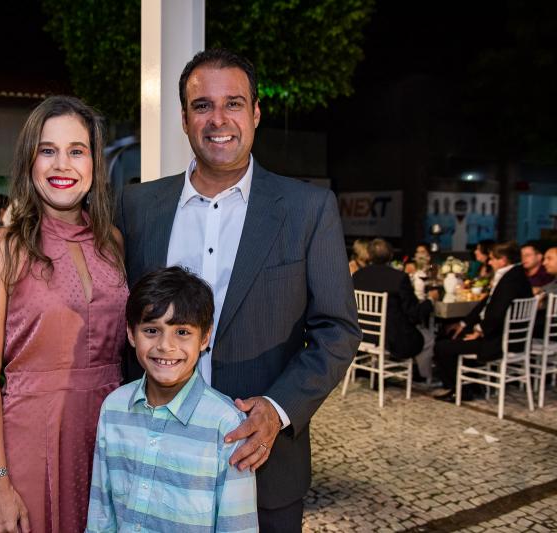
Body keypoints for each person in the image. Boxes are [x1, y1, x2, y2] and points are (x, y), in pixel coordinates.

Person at [117, 49, 361, 532]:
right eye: (202, 106)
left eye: (233, 103)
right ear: (184, 119)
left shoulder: (307, 209)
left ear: (255, 113)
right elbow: (116, 319)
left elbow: (337, 330)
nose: (218, 119)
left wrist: (277, 409)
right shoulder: (137, 206)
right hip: (154, 461)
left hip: (262, 464)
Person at [0, 96, 128, 533]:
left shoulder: (113, 243)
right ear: (29, 161)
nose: (62, 165)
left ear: (94, 163)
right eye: (47, 150)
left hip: (110, 438)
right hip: (30, 444)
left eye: (77, 151)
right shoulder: (0, 249)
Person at [87, 266, 258, 532]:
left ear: (205, 337)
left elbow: (237, 526)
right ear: (131, 334)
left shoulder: (226, 425)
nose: (165, 345)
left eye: (182, 332)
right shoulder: (113, 408)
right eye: (151, 331)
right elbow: (101, 514)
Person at [432, 241, 533, 402]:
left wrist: (479, 331)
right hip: (503, 335)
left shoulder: (510, 280)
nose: (489, 262)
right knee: (450, 333)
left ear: (503, 260)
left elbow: (497, 313)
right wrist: (464, 324)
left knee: (442, 346)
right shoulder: (515, 274)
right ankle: (472, 384)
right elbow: (486, 303)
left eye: (492, 258)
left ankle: (459, 389)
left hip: (499, 341)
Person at [353, 238, 438, 380]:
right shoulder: (399, 278)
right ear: (391, 256)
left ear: (369, 255)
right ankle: (424, 378)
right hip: (393, 339)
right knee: (428, 338)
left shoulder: (357, 276)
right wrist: (430, 300)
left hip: (363, 335)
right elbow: (413, 314)